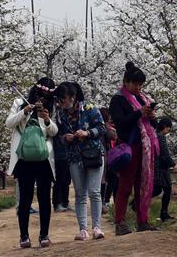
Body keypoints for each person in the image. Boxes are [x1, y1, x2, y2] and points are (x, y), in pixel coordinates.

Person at [6, 77, 59, 248]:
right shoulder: (20, 102)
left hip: (43, 159)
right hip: (24, 159)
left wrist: (47, 120)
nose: (42, 100)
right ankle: (24, 236)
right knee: (25, 199)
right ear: (35, 92)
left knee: (45, 198)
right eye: (40, 95)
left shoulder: (51, 108)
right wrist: (25, 111)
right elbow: (9, 123)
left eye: (46, 97)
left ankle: (44, 235)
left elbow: (54, 132)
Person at [109, 61, 159, 235]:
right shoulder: (118, 99)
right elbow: (121, 123)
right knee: (125, 186)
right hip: (129, 147)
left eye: (141, 84)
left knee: (142, 185)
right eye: (135, 84)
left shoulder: (143, 98)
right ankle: (120, 221)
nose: (138, 87)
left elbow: (153, 125)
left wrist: (152, 116)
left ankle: (142, 220)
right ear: (126, 82)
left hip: (145, 148)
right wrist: (139, 113)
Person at [55, 82, 107, 241]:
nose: (61, 101)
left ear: (72, 96)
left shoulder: (90, 109)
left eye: (63, 98)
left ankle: (97, 227)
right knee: (79, 194)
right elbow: (58, 135)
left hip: (93, 155)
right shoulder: (60, 114)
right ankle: (83, 229)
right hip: (74, 157)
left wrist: (87, 133)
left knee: (94, 191)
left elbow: (102, 128)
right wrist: (66, 138)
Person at [152, 117, 177, 222]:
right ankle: (164, 213)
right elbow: (165, 154)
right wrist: (173, 164)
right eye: (168, 128)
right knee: (164, 189)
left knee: (160, 189)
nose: (168, 130)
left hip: (158, 167)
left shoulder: (155, 135)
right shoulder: (160, 137)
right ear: (165, 127)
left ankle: (164, 213)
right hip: (161, 168)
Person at [99, 107, 118, 213]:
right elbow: (113, 136)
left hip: (98, 156)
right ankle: (102, 204)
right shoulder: (104, 127)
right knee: (104, 181)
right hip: (104, 157)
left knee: (103, 181)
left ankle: (102, 203)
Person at [52, 133, 71, 212]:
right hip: (58, 153)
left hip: (67, 152)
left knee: (67, 179)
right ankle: (57, 203)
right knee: (59, 179)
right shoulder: (55, 121)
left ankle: (65, 202)